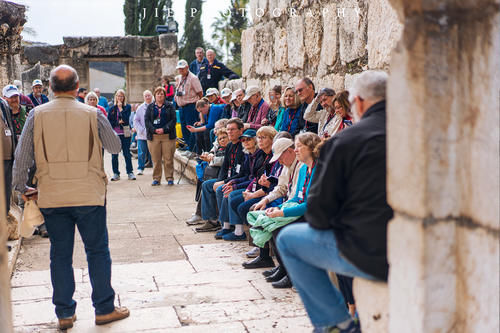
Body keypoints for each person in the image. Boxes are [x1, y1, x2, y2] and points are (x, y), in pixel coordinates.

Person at [12, 65, 129, 330]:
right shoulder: (92, 113)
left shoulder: (35, 115)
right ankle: (104, 308)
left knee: (60, 255)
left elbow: (21, 157)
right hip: (89, 193)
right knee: (97, 251)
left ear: (51, 88)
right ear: (77, 88)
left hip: (52, 194)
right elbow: (114, 146)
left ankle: (65, 312)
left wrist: (21, 187)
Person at [277, 71, 393, 333]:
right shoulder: (423, 135)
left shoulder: (343, 142)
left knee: (288, 240)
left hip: (372, 253)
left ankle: (336, 324)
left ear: (360, 103)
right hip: (420, 245)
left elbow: (318, 215)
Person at [247, 132, 321, 289]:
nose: (296, 150)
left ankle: (292, 274)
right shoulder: (302, 169)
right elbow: (295, 198)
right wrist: (278, 207)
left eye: (299, 146)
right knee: (269, 222)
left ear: (311, 148)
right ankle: (284, 268)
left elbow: (310, 204)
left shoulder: (317, 169)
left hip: (316, 215)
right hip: (300, 209)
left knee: (279, 228)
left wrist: (282, 213)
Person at [221, 126, 278, 241]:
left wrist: (252, 193)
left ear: (272, 140)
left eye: (263, 137)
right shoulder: (261, 155)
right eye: (259, 138)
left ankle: (260, 239)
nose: (260, 140)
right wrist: (245, 188)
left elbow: (275, 184)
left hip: (269, 193)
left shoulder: (272, 156)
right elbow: (254, 178)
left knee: (241, 204)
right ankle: (227, 226)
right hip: (259, 188)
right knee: (226, 193)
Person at [196, 118, 245, 232]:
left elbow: (242, 172)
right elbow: (224, 167)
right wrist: (220, 180)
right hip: (228, 177)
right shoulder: (230, 146)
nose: (230, 132)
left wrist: (223, 182)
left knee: (220, 189)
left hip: (237, 180)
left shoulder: (242, 147)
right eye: (228, 130)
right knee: (207, 185)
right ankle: (212, 220)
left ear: (241, 130)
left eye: (233, 129)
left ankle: (226, 224)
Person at [186, 126, 229, 226]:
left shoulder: (232, 146)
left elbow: (224, 160)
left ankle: (208, 217)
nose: (222, 140)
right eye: (220, 138)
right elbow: (213, 150)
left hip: (224, 176)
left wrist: (212, 160)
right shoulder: (218, 145)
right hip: (216, 173)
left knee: (209, 184)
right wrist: (209, 154)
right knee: (204, 183)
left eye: (224, 137)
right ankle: (204, 216)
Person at [144, 86, 177, 186]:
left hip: (167, 136)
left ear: (164, 96)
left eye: (161, 94)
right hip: (154, 137)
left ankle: (169, 178)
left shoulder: (169, 106)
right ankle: (156, 179)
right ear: (155, 95)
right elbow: (147, 121)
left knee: (168, 159)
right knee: (156, 160)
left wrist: (164, 129)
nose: (159, 96)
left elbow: (173, 120)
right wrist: (154, 130)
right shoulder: (150, 107)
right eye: (158, 94)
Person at [175, 59, 203, 153]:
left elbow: (200, 93)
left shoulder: (193, 78)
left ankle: (192, 148)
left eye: (182, 69)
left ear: (187, 68)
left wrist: (198, 106)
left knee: (190, 126)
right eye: (179, 69)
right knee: (183, 128)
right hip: (181, 106)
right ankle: (188, 146)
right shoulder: (179, 78)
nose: (180, 71)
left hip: (191, 105)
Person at [107, 89, 135, 181]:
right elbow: (109, 122)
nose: (120, 98)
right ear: (116, 97)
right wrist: (118, 122)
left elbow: (126, 119)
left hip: (125, 134)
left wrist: (121, 109)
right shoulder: (111, 109)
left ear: (124, 98)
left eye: (122, 96)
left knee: (127, 153)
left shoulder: (127, 107)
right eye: (118, 96)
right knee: (114, 154)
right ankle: (116, 173)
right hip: (115, 134)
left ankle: (130, 172)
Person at [0, 94, 17, 220]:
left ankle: (4, 216)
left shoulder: (3, 104)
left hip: (8, 155)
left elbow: (10, 126)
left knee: (7, 189)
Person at [134, 90, 153, 175]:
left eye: (149, 95)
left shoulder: (155, 106)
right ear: (144, 97)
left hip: (152, 134)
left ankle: (154, 168)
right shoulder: (140, 108)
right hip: (142, 135)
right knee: (141, 152)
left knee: (153, 152)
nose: (148, 97)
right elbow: (136, 120)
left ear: (152, 96)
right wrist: (141, 130)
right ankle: (140, 168)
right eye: (146, 96)